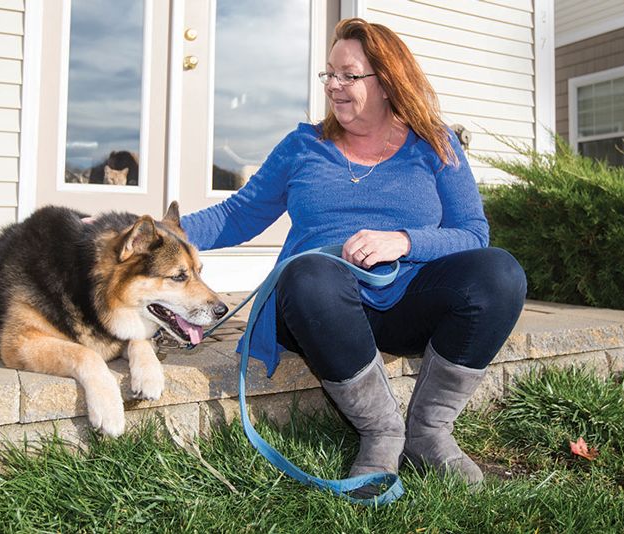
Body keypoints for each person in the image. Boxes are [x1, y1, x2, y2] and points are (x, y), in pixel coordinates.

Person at [181, 18, 526, 486]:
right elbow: (236, 215)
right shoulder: (304, 145)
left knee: (500, 273)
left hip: (402, 303)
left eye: (348, 75)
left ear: (386, 81)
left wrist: (404, 240)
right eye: (329, 74)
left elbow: (472, 233)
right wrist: (151, 232)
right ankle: (381, 433)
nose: (334, 86)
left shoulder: (436, 145)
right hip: (317, 307)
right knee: (309, 276)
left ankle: (428, 433)